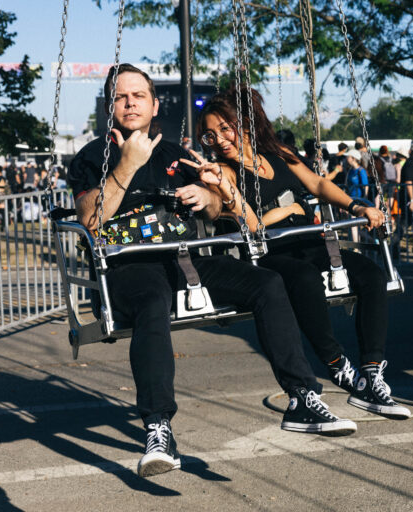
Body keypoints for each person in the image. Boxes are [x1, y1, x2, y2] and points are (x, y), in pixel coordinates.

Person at [67, 65, 356, 478]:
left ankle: (302, 397)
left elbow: (221, 210)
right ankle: (158, 427)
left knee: (269, 283)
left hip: (188, 260)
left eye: (138, 96)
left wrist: (209, 193)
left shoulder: (177, 154)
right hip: (129, 268)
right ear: (111, 106)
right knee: (152, 301)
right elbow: (90, 222)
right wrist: (127, 165)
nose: (130, 103)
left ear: (153, 104)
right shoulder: (93, 157)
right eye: (120, 97)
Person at [189, 86, 411, 420]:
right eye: (210, 135)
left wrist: (357, 207)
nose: (219, 139)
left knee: (371, 274)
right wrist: (282, 212)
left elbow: (318, 184)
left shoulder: (277, 152)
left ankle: (372, 372)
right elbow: (250, 225)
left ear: (244, 124)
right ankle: (337, 364)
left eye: (224, 128)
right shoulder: (225, 174)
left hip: (308, 242)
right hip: (268, 253)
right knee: (305, 280)